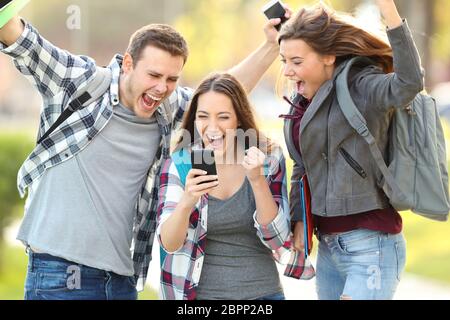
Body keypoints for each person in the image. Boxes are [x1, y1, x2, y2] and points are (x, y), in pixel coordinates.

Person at [0, 9, 289, 300]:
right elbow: (25, 42)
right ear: (128, 63)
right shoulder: (78, 82)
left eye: (172, 79)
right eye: (153, 75)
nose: (162, 87)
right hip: (61, 276)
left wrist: (269, 46)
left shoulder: (165, 108)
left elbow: (220, 96)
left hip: (121, 281)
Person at [277, 0, 424, 300]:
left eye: (296, 61)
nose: (288, 71)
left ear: (328, 56)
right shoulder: (302, 102)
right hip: (329, 249)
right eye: (284, 61)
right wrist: (300, 222)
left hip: (372, 246)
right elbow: (301, 168)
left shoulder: (362, 84)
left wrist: (390, 13)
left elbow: (409, 83)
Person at [156, 73, 314, 300]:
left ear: (238, 118)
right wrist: (187, 201)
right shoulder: (180, 164)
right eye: (203, 116)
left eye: (223, 117)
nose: (212, 128)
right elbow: (169, 244)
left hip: (262, 295)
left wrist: (258, 181)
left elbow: (277, 240)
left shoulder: (267, 157)